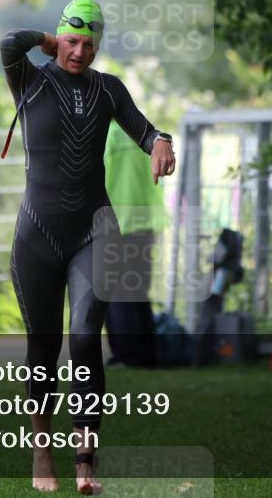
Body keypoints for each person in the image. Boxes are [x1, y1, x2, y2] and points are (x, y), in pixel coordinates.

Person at [0, 0, 175, 494]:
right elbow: (10, 44)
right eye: (72, 41)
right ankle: (41, 450)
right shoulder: (30, 80)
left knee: (83, 335)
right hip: (37, 233)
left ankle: (85, 462)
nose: (79, 52)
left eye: (89, 43)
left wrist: (162, 140)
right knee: (43, 344)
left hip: (94, 230)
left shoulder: (107, 89)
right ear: (60, 38)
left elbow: (145, 129)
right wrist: (45, 42)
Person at [103, 120, 169, 368]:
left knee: (115, 293)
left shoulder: (98, 131)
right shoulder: (141, 131)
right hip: (146, 220)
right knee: (139, 291)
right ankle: (146, 355)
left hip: (113, 220)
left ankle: (127, 356)